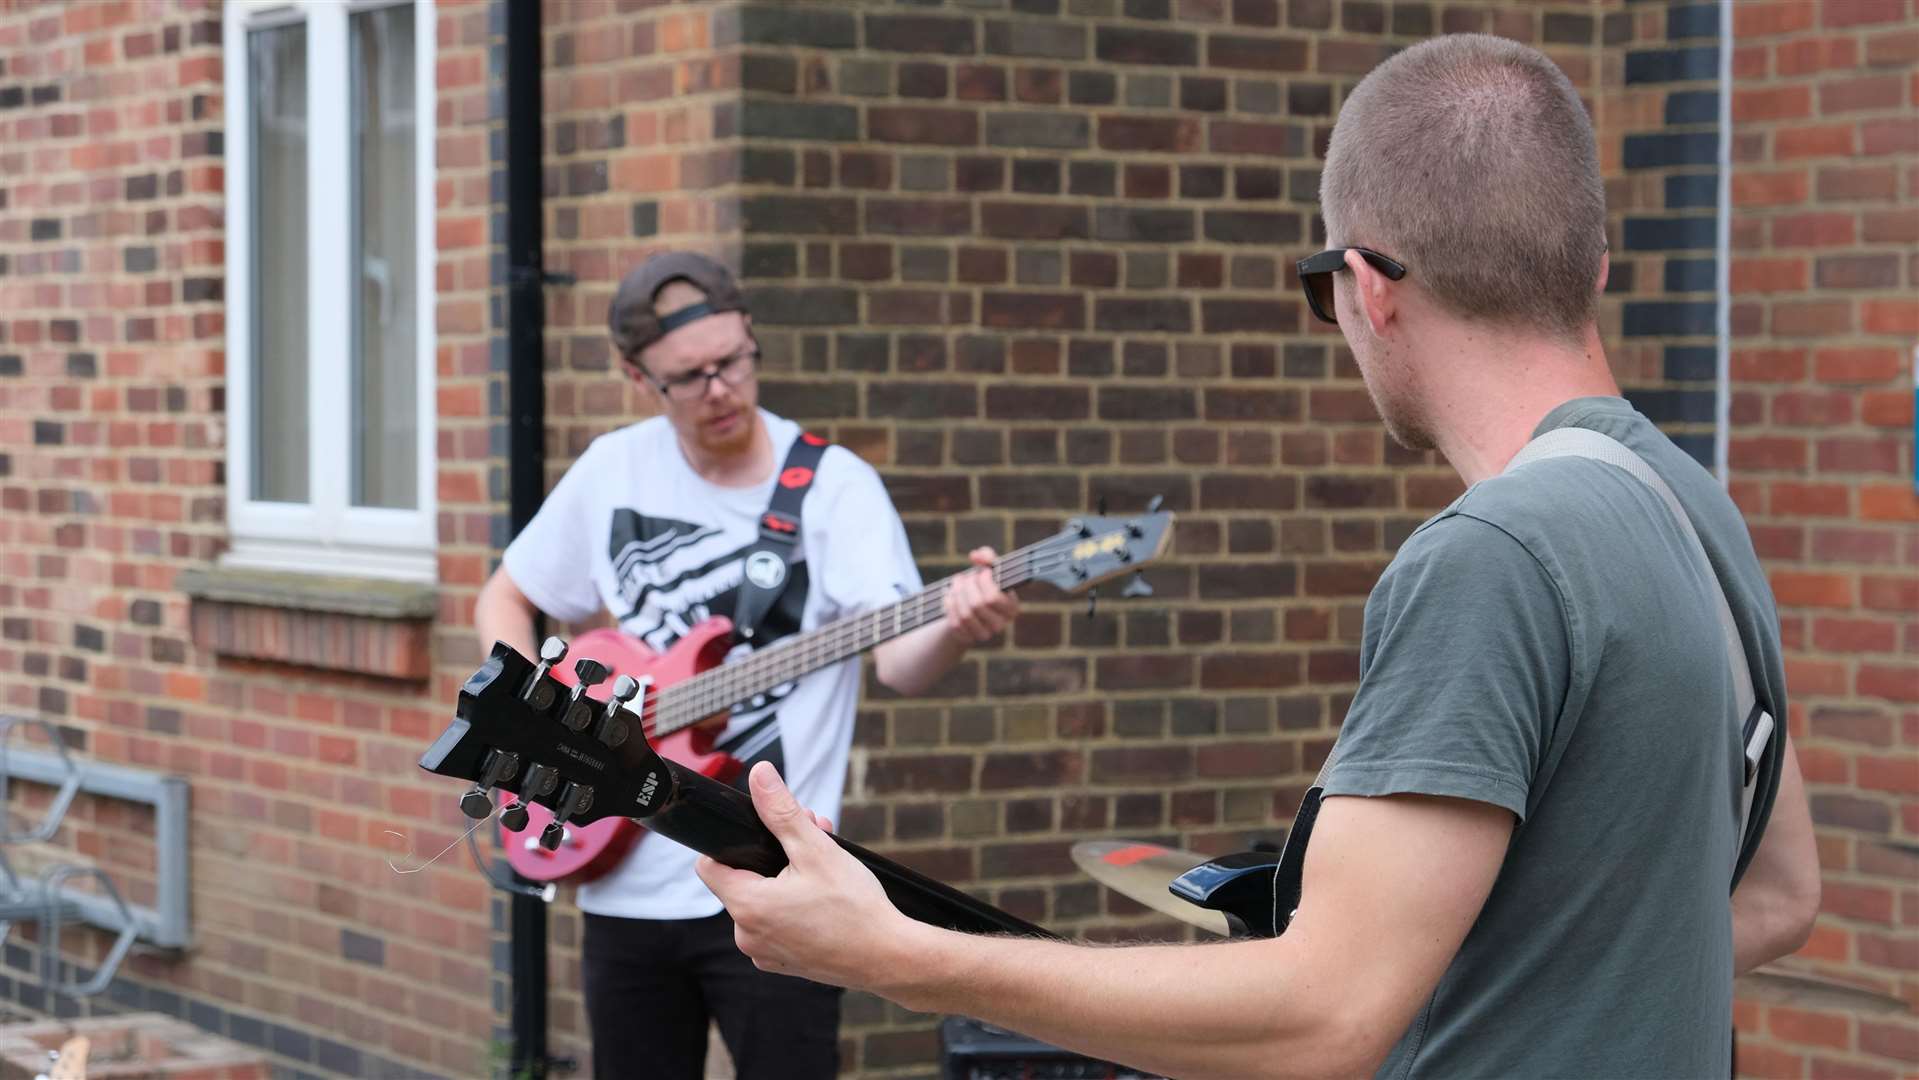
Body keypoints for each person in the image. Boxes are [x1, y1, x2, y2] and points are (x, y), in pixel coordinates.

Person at [696, 34, 1823, 1079]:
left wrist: (894, 954)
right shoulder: (1688, 503)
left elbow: (1322, 1014)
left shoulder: (1494, 556)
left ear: (1366, 288)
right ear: (1595, 266)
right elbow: (1777, 897)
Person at [473, 251, 1019, 1080]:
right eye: (687, 378)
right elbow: (504, 596)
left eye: (732, 362)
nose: (720, 389)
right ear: (636, 375)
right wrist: (541, 718)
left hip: (784, 887)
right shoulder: (613, 471)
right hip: (623, 878)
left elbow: (903, 665)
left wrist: (956, 626)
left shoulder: (834, 488)